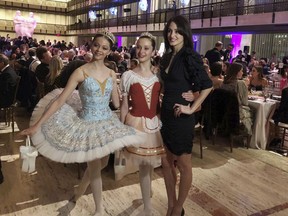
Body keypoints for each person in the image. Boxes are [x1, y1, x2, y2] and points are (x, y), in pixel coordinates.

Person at [19, 30, 144, 216]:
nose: (99, 50)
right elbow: (60, 100)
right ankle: (99, 210)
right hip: (87, 124)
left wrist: (126, 92)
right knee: (95, 168)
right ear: (91, 45)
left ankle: (78, 193)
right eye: (96, 45)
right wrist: (37, 125)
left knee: (100, 164)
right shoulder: (81, 71)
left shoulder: (111, 73)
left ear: (109, 51)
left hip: (106, 122)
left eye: (104, 48)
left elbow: (117, 103)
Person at [160, 15, 213, 216]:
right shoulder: (167, 55)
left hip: (181, 117)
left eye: (177, 31)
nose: (172, 35)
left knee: (183, 163)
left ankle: (178, 208)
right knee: (167, 162)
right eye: (170, 31)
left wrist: (192, 107)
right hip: (166, 114)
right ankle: (171, 204)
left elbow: (207, 85)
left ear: (184, 33)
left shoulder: (189, 55)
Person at [120, 32, 165, 216]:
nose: (141, 51)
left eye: (146, 48)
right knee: (144, 166)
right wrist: (121, 130)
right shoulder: (128, 75)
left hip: (155, 124)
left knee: (149, 165)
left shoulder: (158, 76)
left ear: (153, 51)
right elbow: (124, 106)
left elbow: (161, 102)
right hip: (135, 123)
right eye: (139, 47)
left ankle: (147, 198)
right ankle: (147, 207)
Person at [220, 62, 253, 136]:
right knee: (255, 111)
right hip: (235, 111)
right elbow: (245, 102)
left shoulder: (224, 82)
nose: (242, 72)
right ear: (237, 72)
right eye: (241, 71)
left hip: (222, 110)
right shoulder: (240, 83)